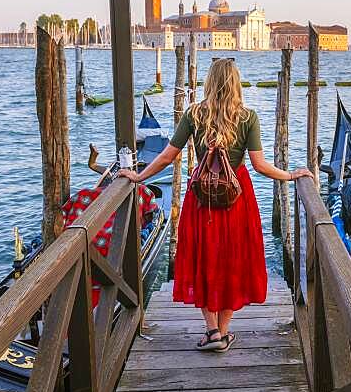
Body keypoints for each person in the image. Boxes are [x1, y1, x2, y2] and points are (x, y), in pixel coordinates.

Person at [119, 58, 311, 352]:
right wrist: (290, 175)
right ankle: (223, 331)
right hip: (237, 199)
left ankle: (211, 332)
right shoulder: (248, 117)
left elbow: (169, 156)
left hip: (202, 200)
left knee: (203, 258)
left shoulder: (194, 115)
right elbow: (259, 166)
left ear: (208, 82)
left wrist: (139, 176)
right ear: (235, 83)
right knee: (232, 261)